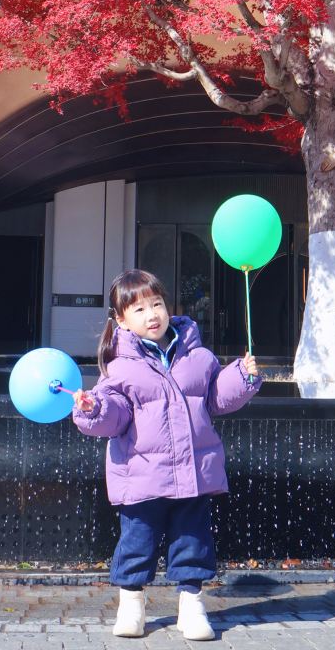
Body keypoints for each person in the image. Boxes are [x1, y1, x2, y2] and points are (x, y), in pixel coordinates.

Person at [72, 268, 261, 640]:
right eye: (139, 310)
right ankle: (132, 605)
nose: (152, 314)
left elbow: (215, 399)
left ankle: (191, 606)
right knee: (137, 543)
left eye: (156, 304)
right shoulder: (119, 366)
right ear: (121, 319)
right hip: (143, 476)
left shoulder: (198, 354)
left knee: (193, 542)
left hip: (192, 473)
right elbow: (116, 413)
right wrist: (94, 409)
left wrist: (242, 376)